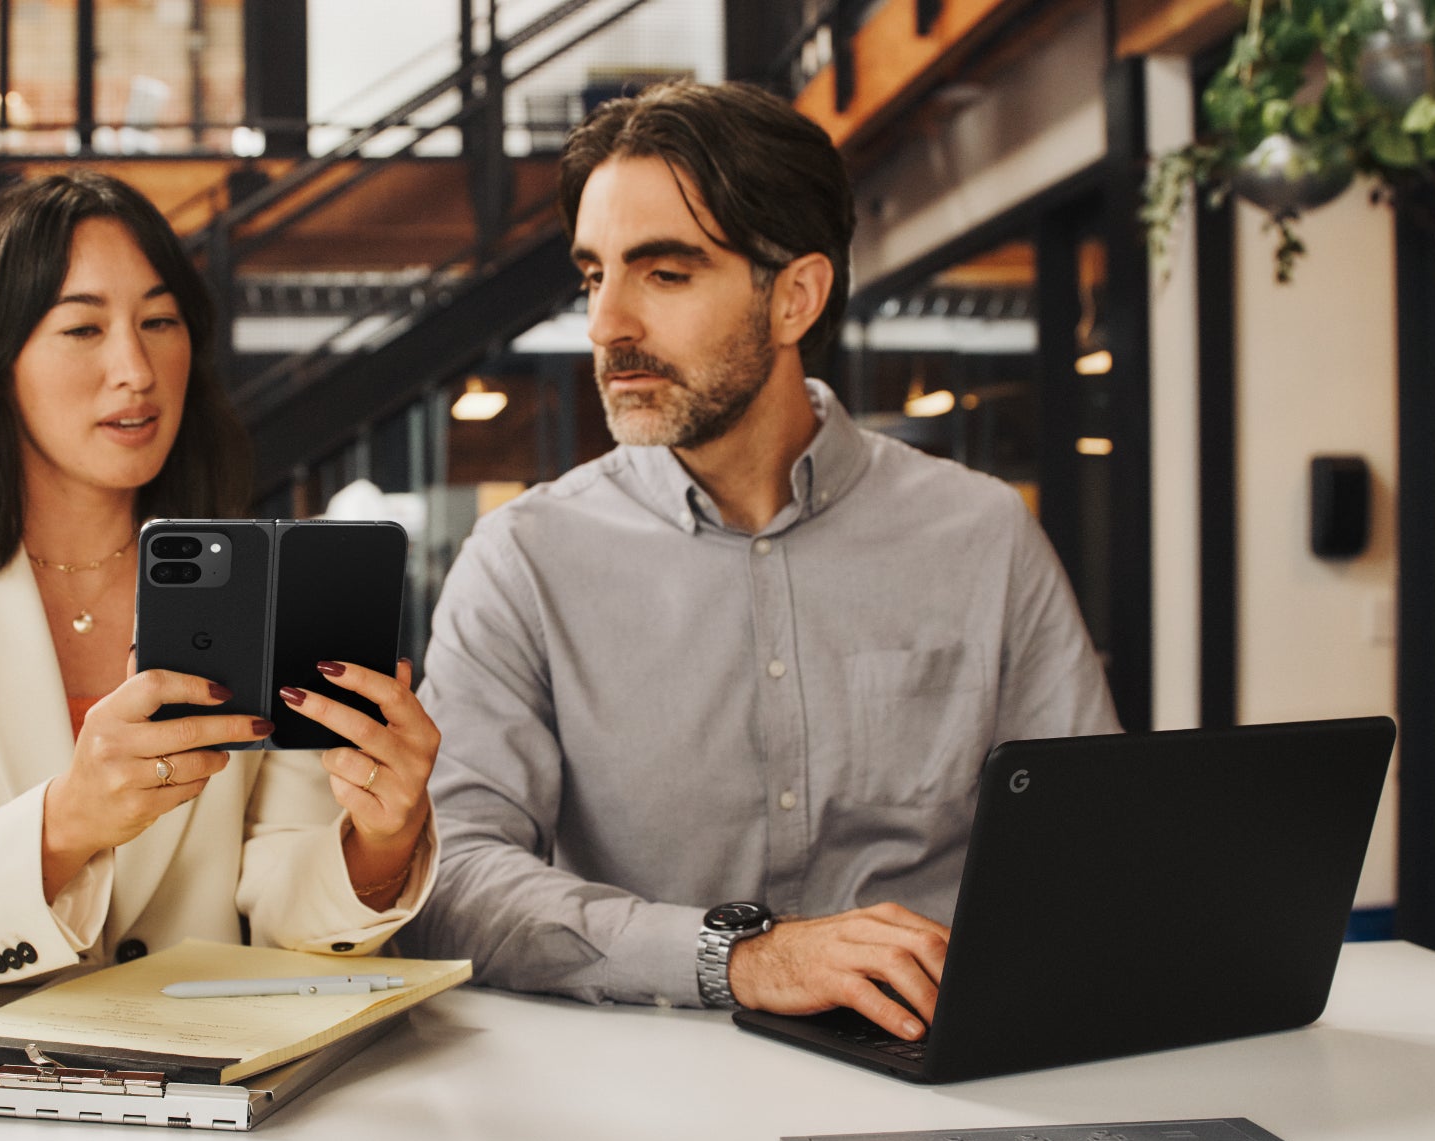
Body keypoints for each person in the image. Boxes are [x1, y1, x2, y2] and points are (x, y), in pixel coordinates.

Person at [396, 81, 1119, 1040]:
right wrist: (738, 959)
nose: (608, 324)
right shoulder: (524, 559)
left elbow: (1090, 851)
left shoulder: (982, 535)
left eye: (664, 274)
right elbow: (456, 879)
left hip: (938, 1067)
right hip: (650, 1081)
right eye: (593, 275)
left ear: (795, 297)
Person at [0, 171, 439, 1018]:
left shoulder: (261, 579)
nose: (136, 368)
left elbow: (279, 902)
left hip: (204, 1082)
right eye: (83, 327)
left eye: (161, 322)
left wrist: (379, 840)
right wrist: (65, 824)